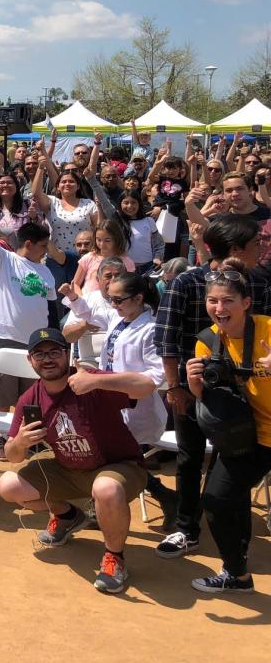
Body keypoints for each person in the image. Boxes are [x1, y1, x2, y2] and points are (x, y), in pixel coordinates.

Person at [0, 328, 155, 594]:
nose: (47, 359)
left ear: (68, 354)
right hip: (68, 469)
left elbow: (147, 386)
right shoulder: (30, 398)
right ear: (30, 360)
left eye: (54, 352)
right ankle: (67, 516)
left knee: (106, 488)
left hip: (118, 466)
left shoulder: (89, 380)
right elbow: (12, 456)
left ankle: (114, 557)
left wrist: (98, 381)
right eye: (39, 354)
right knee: (8, 485)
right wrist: (20, 442)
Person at [154, 214, 271, 559]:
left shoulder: (257, 283)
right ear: (235, 249)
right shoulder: (187, 282)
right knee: (190, 458)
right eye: (256, 244)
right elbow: (166, 339)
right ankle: (187, 528)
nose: (261, 249)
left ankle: (236, 542)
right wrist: (175, 387)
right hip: (193, 388)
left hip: (245, 394)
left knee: (233, 464)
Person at [61, 273, 177, 528]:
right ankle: (164, 498)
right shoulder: (118, 317)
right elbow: (90, 314)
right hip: (109, 403)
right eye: (110, 299)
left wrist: (100, 380)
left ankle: (108, 507)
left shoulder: (151, 329)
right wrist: (73, 297)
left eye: (118, 300)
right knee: (116, 458)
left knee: (116, 459)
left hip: (135, 407)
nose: (112, 304)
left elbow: (154, 376)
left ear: (138, 298)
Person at [185, 259, 271, 593]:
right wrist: (195, 385)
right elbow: (209, 398)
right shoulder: (207, 341)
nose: (219, 308)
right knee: (217, 500)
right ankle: (237, 574)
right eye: (212, 301)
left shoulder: (267, 329)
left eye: (227, 301)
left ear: (246, 303)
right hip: (247, 437)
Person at [0, 190, 56, 409]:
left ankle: (27, 430)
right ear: (28, 244)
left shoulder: (46, 272)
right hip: (6, 337)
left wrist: (53, 339)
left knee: (32, 398)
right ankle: (1, 430)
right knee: (3, 394)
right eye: (43, 246)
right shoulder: (5, 260)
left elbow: (52, 311)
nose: (46, 251)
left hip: (36, 341)